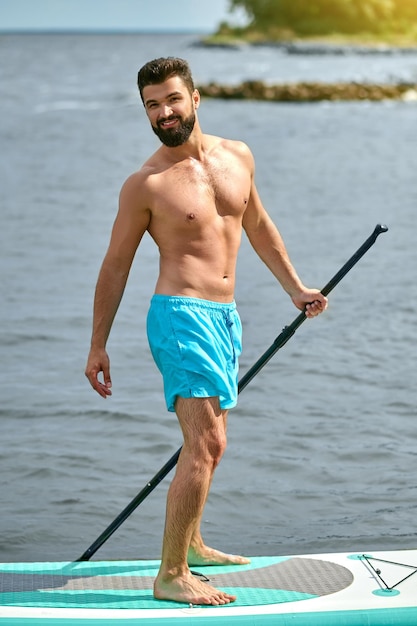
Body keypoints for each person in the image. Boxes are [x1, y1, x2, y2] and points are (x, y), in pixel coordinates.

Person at [85, 57, 328, 606]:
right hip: (180, 316)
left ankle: (191, 545)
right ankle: (170, 573)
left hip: (224, 317)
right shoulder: (145, 185)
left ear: (195, 98)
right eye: (151, 104)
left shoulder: (237, 156)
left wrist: (295, 287)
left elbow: (258, 224)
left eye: (171, 99)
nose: (163, 112)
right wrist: (98, 344)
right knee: (206, 442)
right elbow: (115, 265)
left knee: (213, 446)